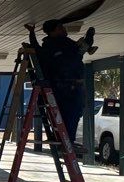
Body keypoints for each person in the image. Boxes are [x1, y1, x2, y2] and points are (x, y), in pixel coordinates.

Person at [38, 19, 97, 149]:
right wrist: (83, 46)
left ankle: (66, 141)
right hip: (65, 87)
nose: (64, 29)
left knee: (71, 114)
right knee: (70, 114)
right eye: (60, 27)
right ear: (53, 31)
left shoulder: (58, 44)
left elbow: (74, 55)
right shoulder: (54, 46)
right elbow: (69, 60)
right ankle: (66, 142)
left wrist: (84, 46)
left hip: (66, 86)